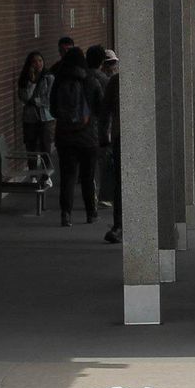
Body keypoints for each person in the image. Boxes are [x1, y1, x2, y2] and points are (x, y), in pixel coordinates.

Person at [49, 46, 104, 227]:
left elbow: (53, 110)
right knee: (88, 177)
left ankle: (66, 214)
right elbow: (100, 107)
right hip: (88, 138)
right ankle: (91, 213)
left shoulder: (59, 81)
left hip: (65, 137)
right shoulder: (91, 80)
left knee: (68, 176)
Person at [16, 51, 54, 182]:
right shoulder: (25, 79)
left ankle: (45, 175)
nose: (38, 64)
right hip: (30, 118)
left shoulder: (48, 77)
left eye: (40, 61)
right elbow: (25, 97)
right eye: (34, 61)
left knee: (45, 146)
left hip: (45, 117)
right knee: (31, 146)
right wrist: (31, 81)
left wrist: (35, 101)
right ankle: (33, 175)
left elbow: (49, 99)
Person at [103, 56, 122, 244]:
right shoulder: (115, 82)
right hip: (120, 137)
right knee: (120, 182)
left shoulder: (115, 82)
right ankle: (119, 225)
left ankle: (120, 225)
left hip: (121, 135)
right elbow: (106, 110)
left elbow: (105, 111)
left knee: (120, 183)